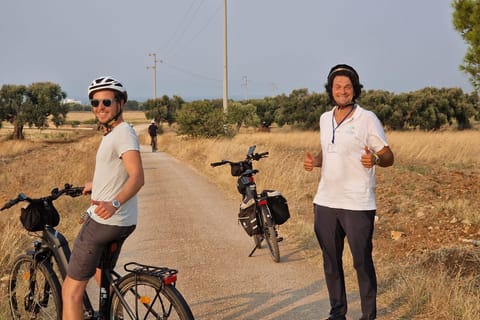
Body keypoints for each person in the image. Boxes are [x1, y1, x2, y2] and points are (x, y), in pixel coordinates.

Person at [303, 64, 394, 320]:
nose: (342, 91)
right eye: (337, 86)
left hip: (357, 204)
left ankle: (368, 316)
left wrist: (375, 160)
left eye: (347, 87)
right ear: (330, 90)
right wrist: (316, 162)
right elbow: (329, 150)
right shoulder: (324, 118)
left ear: (355, 90)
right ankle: (337, 313)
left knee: (361, 262)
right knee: (331, 262)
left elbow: (389, 156)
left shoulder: (367, 118)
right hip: (325, 202)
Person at [62, 76, 145, 320]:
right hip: (124, 223)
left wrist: (114, 202)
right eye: (94, 102)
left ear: (120, 103)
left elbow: (137, 177)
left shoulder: (122, 134)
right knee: (102, 273)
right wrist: (95, 185)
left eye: (106, 102)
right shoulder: (113, 134)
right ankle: (112, 315)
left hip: (104, 223)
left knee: (70, 291)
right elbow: (117, 171)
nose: (100, 107)